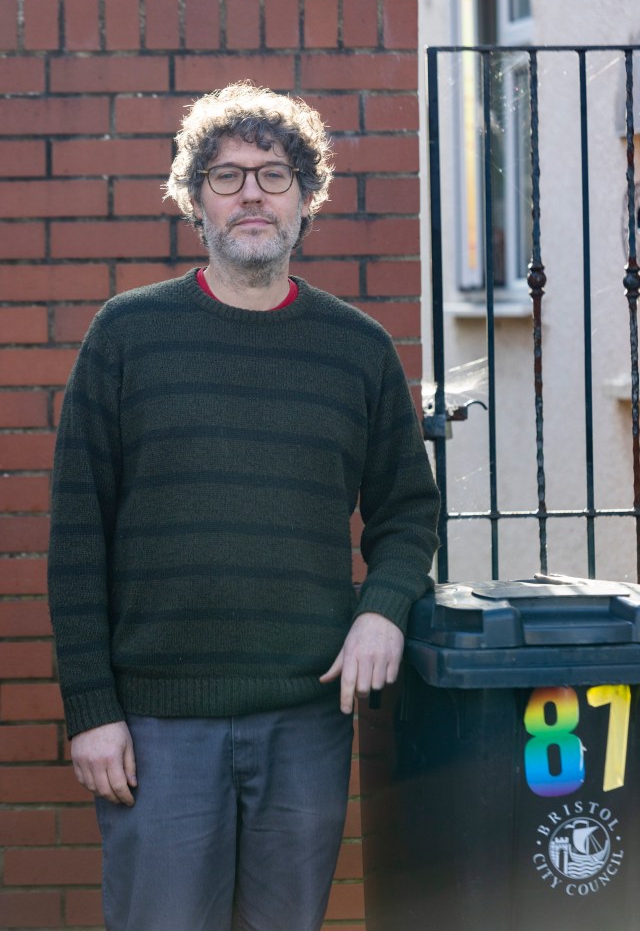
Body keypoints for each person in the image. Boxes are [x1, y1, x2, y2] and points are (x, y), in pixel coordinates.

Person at [48, 81, 440, 931]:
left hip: (306, 718)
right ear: (196, 200)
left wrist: (384, 609)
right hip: (156, 727)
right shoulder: (126, 336)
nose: (252, 193)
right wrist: (92, 709)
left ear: (308, 198)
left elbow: (408, 512)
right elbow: (78, 535)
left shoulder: (358, 350)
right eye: (227, 176)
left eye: (274, 173)